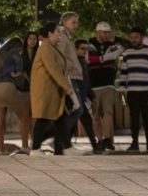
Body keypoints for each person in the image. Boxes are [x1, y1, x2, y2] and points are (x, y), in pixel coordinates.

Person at [30, 22, 74, 155]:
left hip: (52, 89)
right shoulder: (46, 48)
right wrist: (66, 87)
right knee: (43, 118)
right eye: (57, 31)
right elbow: (53, 69)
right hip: (46, 90)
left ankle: (67, 147)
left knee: (59, 118)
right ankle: (35, 149)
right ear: (49, 34)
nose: (60, 34)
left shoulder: (51, 47)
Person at [119, 26, 148, 152]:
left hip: (146, 90)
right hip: (132, 91)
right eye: (131, 37)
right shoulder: (127, 54)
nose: (133, 40)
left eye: (136, 37)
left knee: (147, 117)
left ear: (141, 38)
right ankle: (135, 143)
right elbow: (124, 73)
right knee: (134, 118)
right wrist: (122, 90)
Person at [0, 37, 31, 155]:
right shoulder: (14, 52)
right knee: (24, 116)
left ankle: (1, 150)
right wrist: (19, 73)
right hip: (7, 86)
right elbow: (20, 68)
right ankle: (25, 146)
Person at [87, 21, 126, 151]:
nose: (107, 34)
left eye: (109, 32)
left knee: (108, 113)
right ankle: (99, 140)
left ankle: (107, 140)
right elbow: (88, 59)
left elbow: (125, 47)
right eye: (104, 32)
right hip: (93, 85)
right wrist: (104, 58)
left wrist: (115, 39)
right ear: (97, 32)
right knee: (96, 115)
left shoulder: (113, 44)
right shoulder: (89, 44)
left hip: (109, 84)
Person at [57, 12, 83, 151]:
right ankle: (61, 141)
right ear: (65, 21)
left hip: (72, 76)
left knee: (74, 110)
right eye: (73, 22)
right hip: (68, 78)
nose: (76, 25)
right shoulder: (61, 35)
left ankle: (63, 142)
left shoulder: (67, 36)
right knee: (77, 109)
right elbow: (60, 57)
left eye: (77, 22)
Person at [74, 39, 103, 154]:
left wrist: (92, 97)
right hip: (74, 97)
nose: (85, 51)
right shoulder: (75, 62)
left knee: (85, 121)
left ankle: (94, 144)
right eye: (82, 49)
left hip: (80, 97)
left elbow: (86, 83)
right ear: (75, 49)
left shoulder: (83, 62)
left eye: (86, 49)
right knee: (78, 121)